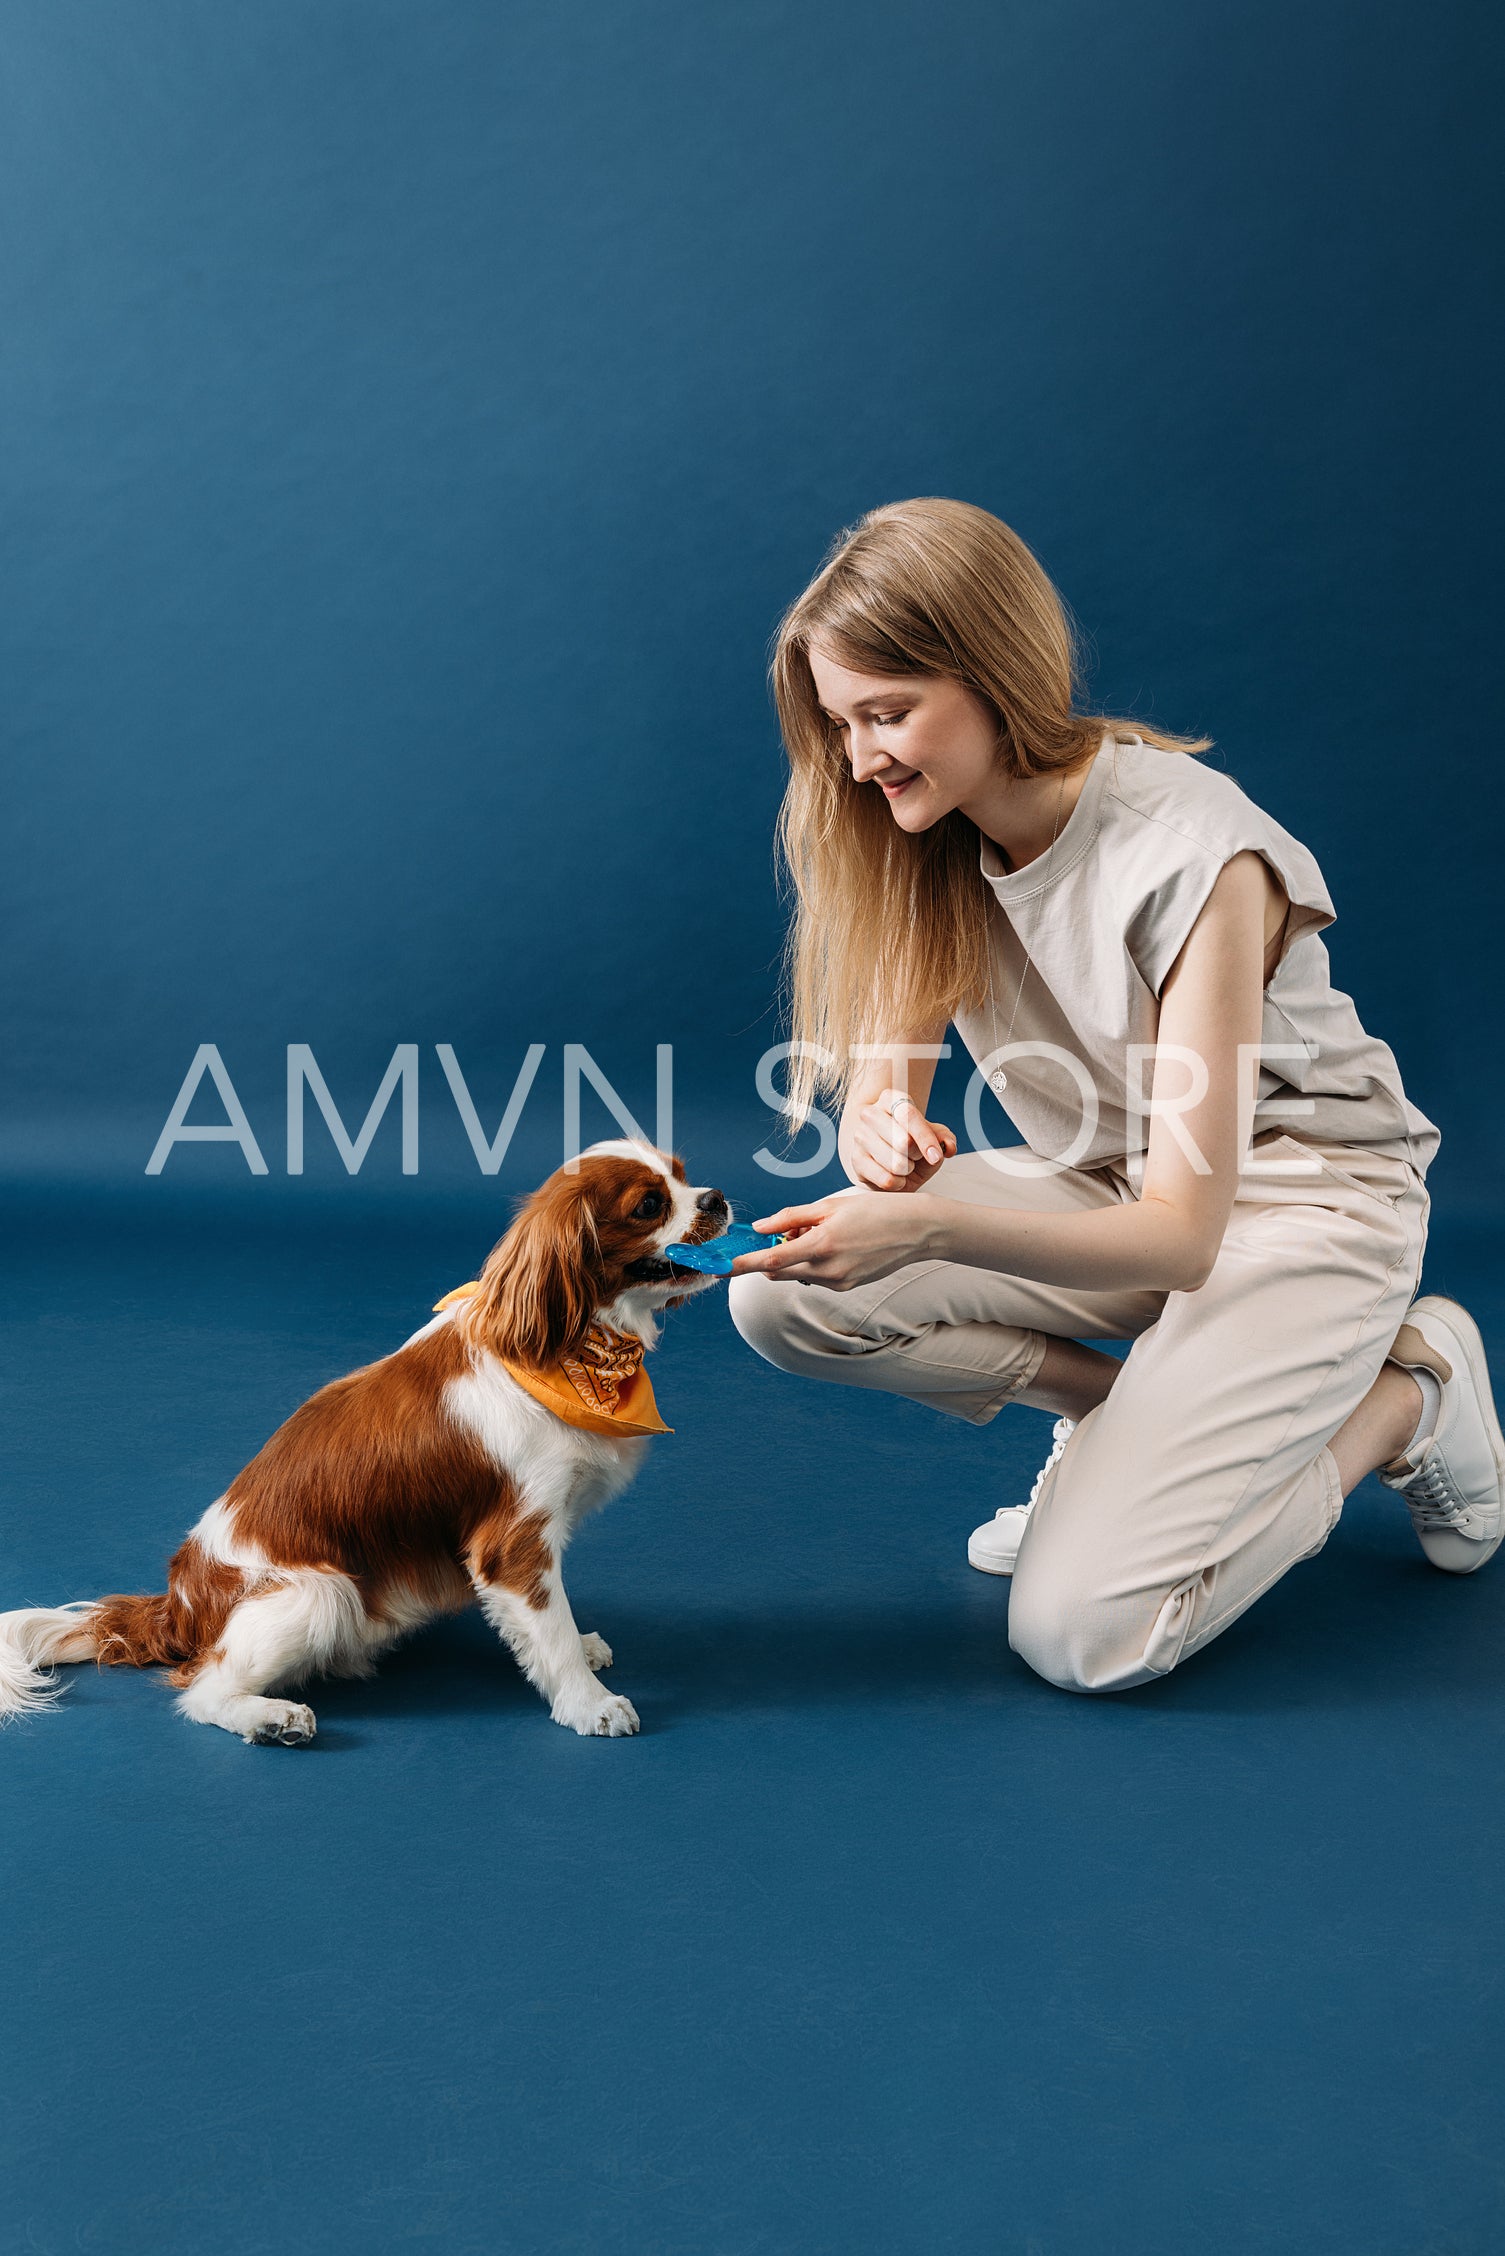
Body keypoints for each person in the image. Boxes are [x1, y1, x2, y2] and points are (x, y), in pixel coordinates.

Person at [725, 498, 1502, 1695]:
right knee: (786, 1303)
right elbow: (889, 1078)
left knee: (1085, 1638)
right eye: (838, 723)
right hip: (1112, 1183)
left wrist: (925, 1221)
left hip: (1298, 1206)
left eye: (888, 714)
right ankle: (1128, 1425)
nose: (858, 758)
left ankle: (1406, 1398)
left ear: (994, 675)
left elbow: (1185, 1239)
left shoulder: (1194, 853)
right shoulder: (920, 835)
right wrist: (876, 1120)